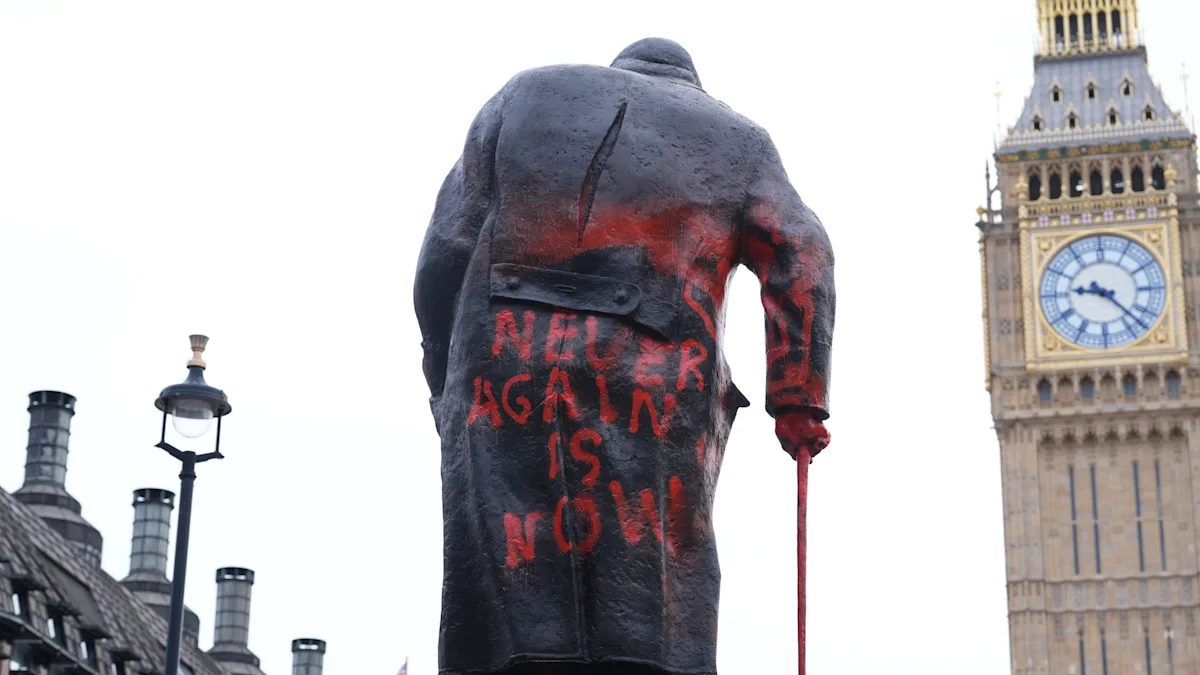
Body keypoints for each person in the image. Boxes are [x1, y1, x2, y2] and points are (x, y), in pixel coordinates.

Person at [414, 37, 834, 675]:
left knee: (505, 567)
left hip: (500, 362)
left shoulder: (523, 94)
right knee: (647, 583)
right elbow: (803, 254)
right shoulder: (740, 141)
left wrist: (442, 370)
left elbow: (443, 251)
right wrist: (798, 399)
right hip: (652, 372)